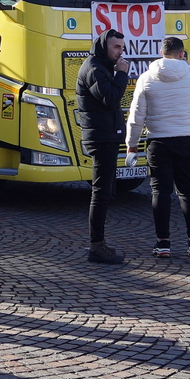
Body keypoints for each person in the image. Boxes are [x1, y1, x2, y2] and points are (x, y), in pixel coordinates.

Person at [125, 36, 190, 258]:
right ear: (182, 54)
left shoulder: (146, 78)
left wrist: (132, 145)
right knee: (189, 191)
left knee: (160, 192)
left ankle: (163, 244)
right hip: (188, 138)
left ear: (161, 53)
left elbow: (136, 116)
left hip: (158, 141)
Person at [76, 29, 132, 264]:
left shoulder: (101, 66)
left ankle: (98, 243)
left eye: (122, 47)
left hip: (107, 135)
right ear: (104, 47)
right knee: (100, 193)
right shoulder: (95, 69)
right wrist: (122, 74)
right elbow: (110, 98)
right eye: (116, 47)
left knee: (106, 191)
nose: (121, 52)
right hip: (101, 137)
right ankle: (96, 246)